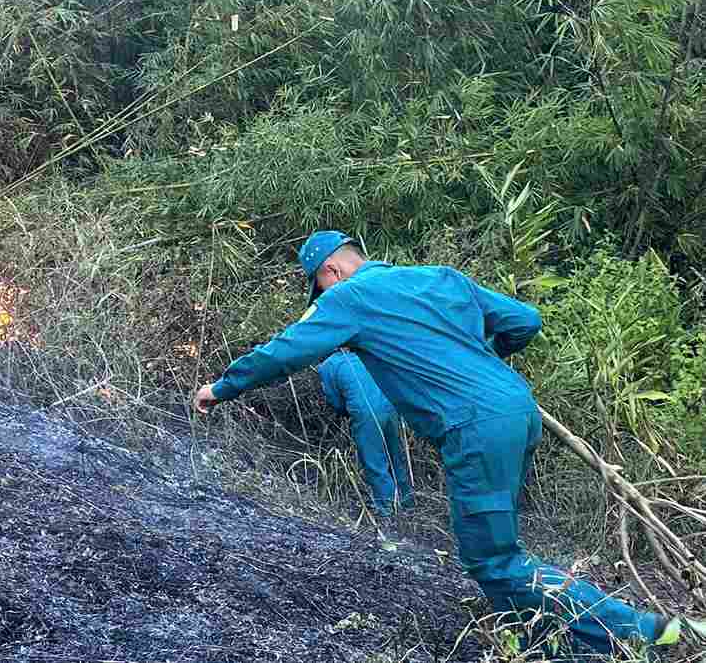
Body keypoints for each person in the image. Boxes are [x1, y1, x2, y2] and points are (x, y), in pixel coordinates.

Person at [193, 230, 703, 657]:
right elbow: (524, 321)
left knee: (495, 563)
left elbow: (286, 351)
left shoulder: (346, 298)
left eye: (319, 288)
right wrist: (480, 361)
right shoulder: (440, 277)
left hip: (476, 428)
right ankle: (539, 644)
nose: (321, 298)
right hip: (517, 410)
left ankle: (648, 633)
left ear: (332, 271)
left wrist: (221, 388)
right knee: (503, 554)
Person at [317, 350, 414, 517]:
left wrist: (344, 412)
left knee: (374, 462)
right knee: (395, 457)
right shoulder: (365, 354)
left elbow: (335, 401)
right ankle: (407, 502)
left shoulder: (328, 365)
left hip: (366, 414)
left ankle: (386, 508)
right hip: (391, 408)